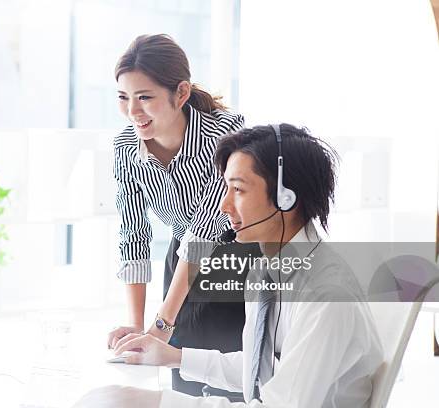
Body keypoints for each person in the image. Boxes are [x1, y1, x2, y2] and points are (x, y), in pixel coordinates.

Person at [80, 124, 384, 407]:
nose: (224, 205)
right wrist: (173, 357)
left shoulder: (324, 294)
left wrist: (156, 402)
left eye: (237, 190)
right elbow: (258, 368)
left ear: (286, 198)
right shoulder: (267, 272)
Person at [108, 34, 260, 398]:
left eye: (144, 97)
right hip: (180, 258)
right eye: (123, 97)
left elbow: (205, 234)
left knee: (231, 376)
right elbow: (133, 237)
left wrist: (160, 325)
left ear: (181, 93)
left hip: (235, 258)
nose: (133, 111)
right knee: (183, 382)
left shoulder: (224, 134)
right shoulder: (126, 146)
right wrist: (136, 327)